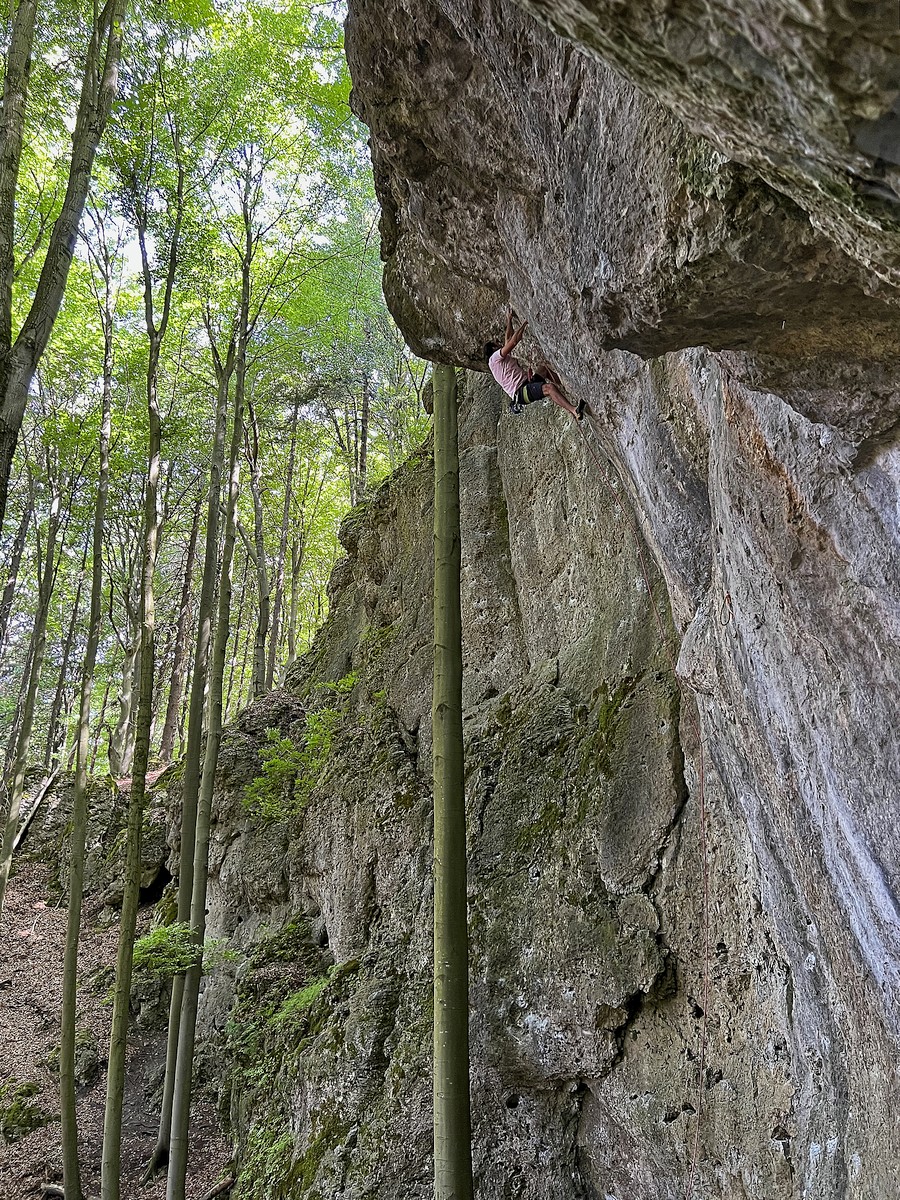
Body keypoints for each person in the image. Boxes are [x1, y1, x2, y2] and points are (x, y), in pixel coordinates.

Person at [484, 312, 585, 420]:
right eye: (497, 344)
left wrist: (509, 319)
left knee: (544, 369)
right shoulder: (494, 359)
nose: (500, 345)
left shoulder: (499, 362)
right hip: (520, 392)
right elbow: (513, 342)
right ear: (494, 348)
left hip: (526, 384)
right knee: (549, 388)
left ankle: (568, 387)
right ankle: (574, 411)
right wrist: (525, 323)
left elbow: (508, 339)